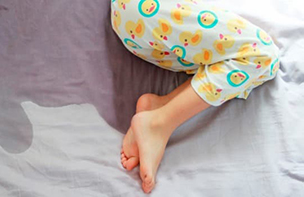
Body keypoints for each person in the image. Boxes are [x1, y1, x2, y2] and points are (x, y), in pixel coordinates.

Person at [111, 0, 280, 193]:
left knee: (255, 67)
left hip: (136, 27)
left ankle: (160, 106)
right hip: (146, 11)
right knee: (261, 55)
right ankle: (159, 122)